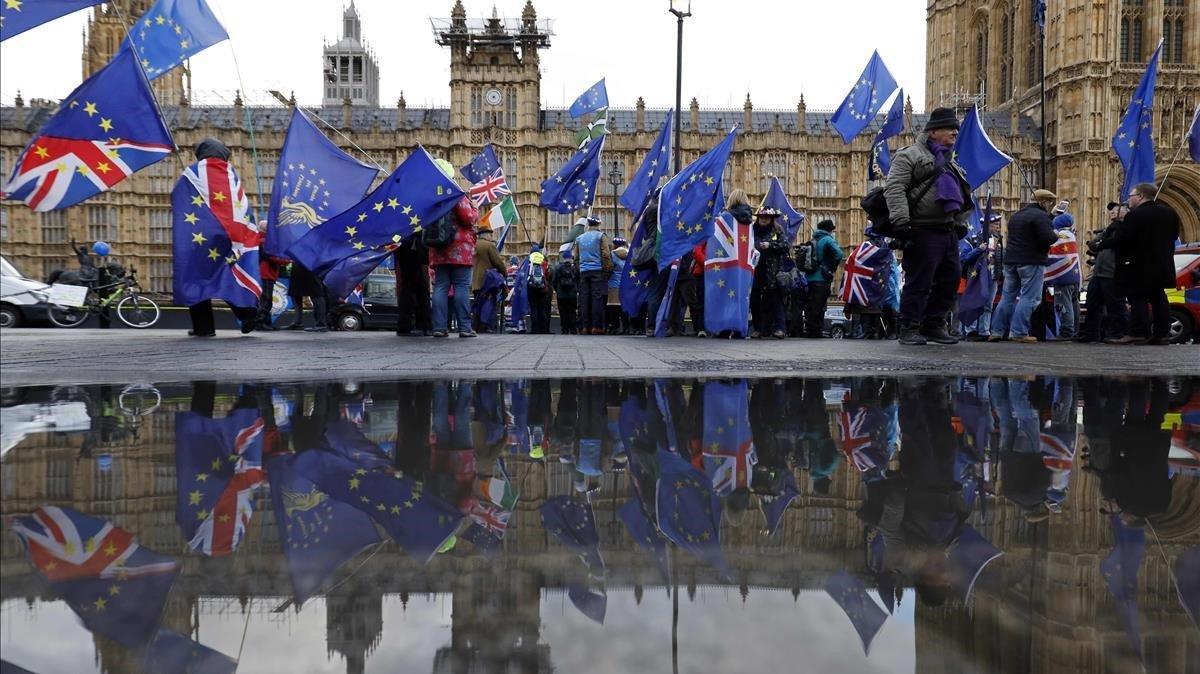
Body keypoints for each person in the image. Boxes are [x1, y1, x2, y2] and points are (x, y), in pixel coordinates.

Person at [884, 107, 973, 346]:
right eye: (949, 128)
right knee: (920, 280)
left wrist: (959, 222)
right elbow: (894, 187)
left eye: (956, 128)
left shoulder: (949, 161)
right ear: (933, 132)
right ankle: (910, 326)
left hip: (948, 230)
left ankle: (933, 324)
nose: (955, 132)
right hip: (921, 228)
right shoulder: (909, 155)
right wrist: (901, 221)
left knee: (950, 278)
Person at [175, 138, 260, 337]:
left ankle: (203, 328)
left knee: (196, 277)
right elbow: (240, 204)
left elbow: (179, 196)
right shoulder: (230, 173)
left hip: (201, 236)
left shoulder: (194, 172)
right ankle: (246, 313)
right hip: (230, 235)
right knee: (226, 273)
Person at [1095, 182, 1181, 345]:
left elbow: (1123, 239)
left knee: (1138, 298)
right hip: (1163, 263)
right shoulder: (1169, 212)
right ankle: (1162, 335)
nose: (1129, 200)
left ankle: (1138, 333)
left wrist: (1102, 244)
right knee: (1159, 298)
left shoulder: (1135, 215)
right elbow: (1174, 235)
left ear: (1140, 196)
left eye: (1131, 196)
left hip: (1139, 264)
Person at [989, 189, 1059, 344]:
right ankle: (1018, 332)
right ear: (1043, 202)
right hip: (1031, 261)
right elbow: (1048, 238)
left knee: (1007, 297)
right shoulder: (1040, 216)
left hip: (1011, 261)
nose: (1049, 206)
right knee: (1030, 297)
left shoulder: (1017, 215)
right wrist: (1055, 234)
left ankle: (996, 331)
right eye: (1049, 203)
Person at [1076, 202, 1130, 343]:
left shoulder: (1128, 229)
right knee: (1092, 305)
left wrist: (1114, 234)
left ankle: (1117, 334)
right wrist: (1106, 234)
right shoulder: (1108, 229)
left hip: (1112, 273)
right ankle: (1090, 334)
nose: (1113, 212)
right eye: (1111, 210)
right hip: (1098, 273)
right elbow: (1093, 244)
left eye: (1117, 210)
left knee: (1115, 306)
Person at [429, 196, 480, 338]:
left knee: (440, 287)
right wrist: (475, 207)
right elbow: (468, 218)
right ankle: (464, 327)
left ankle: (439, 327)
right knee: (461, 286)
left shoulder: (433, 197)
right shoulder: (456, 195)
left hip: (438, 248)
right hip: (459, 249)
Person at [749, 205, 789, 339]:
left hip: (773, 271)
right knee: (755, 300)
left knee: (775, 301)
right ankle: (758, 328)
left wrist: (770, 245)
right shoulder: (752, 230)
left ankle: (780, 329)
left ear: (772, 219)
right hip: (755, 270)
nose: (764, 219)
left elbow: (785, 246)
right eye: (762, 217)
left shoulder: (777, 231)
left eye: (767, 217)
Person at [803, 219, 845, 338]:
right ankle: (815, 332)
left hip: (809, 278)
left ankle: (810, 329)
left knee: (811, 305)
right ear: (830, 230)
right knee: (819, 306)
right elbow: (839, 254)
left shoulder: (813, 239)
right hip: (821, 278)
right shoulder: (827, 239)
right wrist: (831, 268)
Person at [572, 215, 612, 335]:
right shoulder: (600, 236)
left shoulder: (579, 238)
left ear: (588, 224)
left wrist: (580, 269)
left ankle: (585, 327)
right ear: (598, 224)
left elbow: (576, 258)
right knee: (597, 299)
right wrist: (607, 269)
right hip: (597, 270)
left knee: (584, 299)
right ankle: (596, 327)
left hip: (584, 271)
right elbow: (605, 254)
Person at [1047, 212, 1082, 340]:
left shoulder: (1060, 236)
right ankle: (1074, 330)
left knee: (1063, 304)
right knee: (1073, 303)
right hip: (1074, 275)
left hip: (1063, 276)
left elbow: (1052, 254)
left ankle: (1066, 331)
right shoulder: (1071, 235)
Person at [471, 222, 508, 333]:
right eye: (490, 235)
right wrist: (504, 273)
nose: (491, 237)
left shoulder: (473, 245)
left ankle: (476, 326)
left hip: (475, 281)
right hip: (487, 282)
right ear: (486, 235)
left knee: (477, 304)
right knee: (488, 302)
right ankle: (485, 326)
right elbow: (498, 263)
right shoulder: (489, 245)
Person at [394, 237, 432, 336]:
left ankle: (406, 325)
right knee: (421, 289)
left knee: (407, 288)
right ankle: (424, 325)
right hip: (415, 248)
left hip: (404, 246)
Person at [552, 245, 579, 335]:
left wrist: (558, 289)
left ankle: (564, 329)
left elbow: (554, 281)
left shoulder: (557, 267)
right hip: (572, 294)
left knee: (563, 312)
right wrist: (576, 289)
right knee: (572, 312)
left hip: (561, 294)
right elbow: (578, 280)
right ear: (571, 258)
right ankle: (573, 329)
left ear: (563, 258)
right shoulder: (574, 267)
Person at [527, 245, 553, 335]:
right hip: (542, 288)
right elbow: (548, 274)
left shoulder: (529, 260)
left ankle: (535, 329)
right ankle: (543, 329)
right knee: (542, 308)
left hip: (531, 288)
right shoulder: (543, 261)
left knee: (533, 308)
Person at [607, 237, 630, 334]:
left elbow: (609, 268)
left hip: (613, 284)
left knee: (613, 308)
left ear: (615, 245)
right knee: (624, 307)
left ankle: (614, 328)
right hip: (626, 284)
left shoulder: (612, 254)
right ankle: (626, 328)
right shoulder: (630, 255)